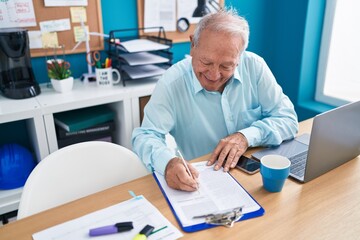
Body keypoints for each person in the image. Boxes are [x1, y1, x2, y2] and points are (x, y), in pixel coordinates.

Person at [132, 8, 298, 192]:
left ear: (239, 57)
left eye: (226, 65)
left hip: (254, 180)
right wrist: (168, 163)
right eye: (206, 62)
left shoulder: (255, 67)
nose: (214, 74)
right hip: (202, 184)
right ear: (192, 45)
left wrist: (246, 136)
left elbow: (288, 119)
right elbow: (145, 135)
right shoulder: (172, 83)